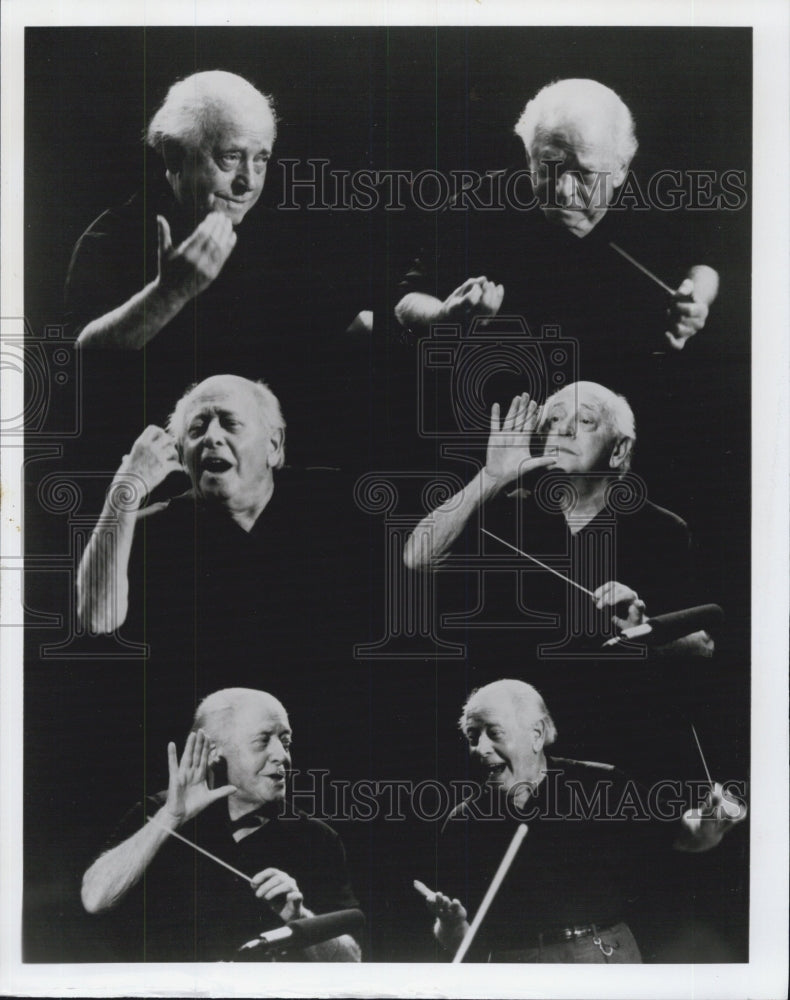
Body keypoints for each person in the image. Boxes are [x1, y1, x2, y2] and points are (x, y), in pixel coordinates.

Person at [74, 373, 363, 720]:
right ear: (182, 455)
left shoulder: (335, 503)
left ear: (273, 446)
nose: (212, 437)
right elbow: (97, 618)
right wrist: (125, 490)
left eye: (230, 423)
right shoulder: (150, 530)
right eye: (197, 429)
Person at [415, 679, 746, 963]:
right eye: (473, 737)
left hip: (601, 954)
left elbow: (685, 834)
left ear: (536, 734)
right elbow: (458, 941)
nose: (480, 748)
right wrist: (452, 925)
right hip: (512, 965)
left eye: (494, 733)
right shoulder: (463, 821)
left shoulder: (602, 785)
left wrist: (708, 821)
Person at [394, 78, 719, 358]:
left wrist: (695, 303)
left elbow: (701, 264)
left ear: (621, 168)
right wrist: (443, 318)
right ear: (528, 157)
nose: (563, 191)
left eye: (585, 173)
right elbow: (406, 300)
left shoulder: (652, 203)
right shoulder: (478, 204)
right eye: (548, 166)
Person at [403, 381, 709, 655]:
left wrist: (643, 628)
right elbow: (418, 557)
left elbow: (703, 644)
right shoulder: (507, 510)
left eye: (586, 420)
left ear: (618, 449)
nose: (563, 430)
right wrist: (491, 477)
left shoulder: (661, 530)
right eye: (554, 419)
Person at [81, 688, 362, 961]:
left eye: (285, 742)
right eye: (263, 741)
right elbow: (94, 899)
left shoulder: (317, 838)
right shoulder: (158, 812)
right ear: (214, 751)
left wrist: (299, 918)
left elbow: (352, 960)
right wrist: (170, 817)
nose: (282, 756)